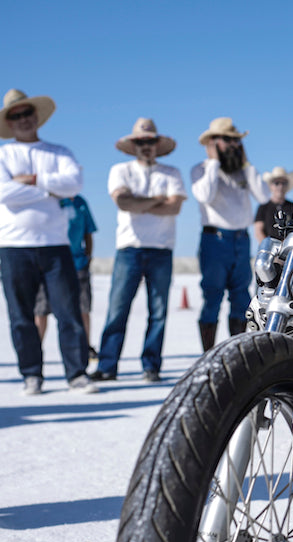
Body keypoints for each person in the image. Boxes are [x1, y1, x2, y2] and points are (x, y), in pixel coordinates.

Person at [0, 88, 97, 395]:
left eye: (27, 113)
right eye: (15, 116)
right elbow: (3, 194)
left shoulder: (59, 151)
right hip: (13, 246)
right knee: (21, 315)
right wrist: (50, 189)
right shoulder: (3, 154)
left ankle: (77, 373)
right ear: (9, 122)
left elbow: (74, 184)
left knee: (69, 311)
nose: (23, 120)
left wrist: (29, 180)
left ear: (36, 116)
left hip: (56, 245)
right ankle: (32, 374)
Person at [91, 118, 186, 383]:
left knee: (158, 312)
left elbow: (174, 207)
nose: (146, 146)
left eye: (150, 141)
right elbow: (123, 202)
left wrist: (140, 203)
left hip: (161, 249)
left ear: (157, 144)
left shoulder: (172, 173)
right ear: (133, 145)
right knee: (117, 310)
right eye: (141, 141)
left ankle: (151, 366)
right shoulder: (120, 170)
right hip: (129, 249)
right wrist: (158, 200)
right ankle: (107, 366)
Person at [191, 117, 270, 351]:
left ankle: (236, 351)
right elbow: (204, 195)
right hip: (215, 241)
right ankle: (209, 354)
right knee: (212, 297)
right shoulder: (201, 170)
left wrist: (246, 164)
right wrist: (214, 161)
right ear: (212, 142)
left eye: (236, 140)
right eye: (228, 140)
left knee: (241, 298)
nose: (234, 144)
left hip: (240, 240)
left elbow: (264, 197)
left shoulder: (242, 173)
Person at [34, 194, 98, 360]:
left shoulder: (80, 202)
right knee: (41, 308)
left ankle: (85, 347)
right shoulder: (48, 199)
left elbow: (88, 232)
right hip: (49, 263)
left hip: (77, 264)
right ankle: (35, 350)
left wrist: (88, 257)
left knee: (82, 307)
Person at [253, 166, 293, 243]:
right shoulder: (263, 207)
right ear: (271, 185)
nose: (280, 186)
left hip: (289, 250)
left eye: (284, 183)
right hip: (269, 250)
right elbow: (258, 232)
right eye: (277, 183)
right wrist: (268, 248)